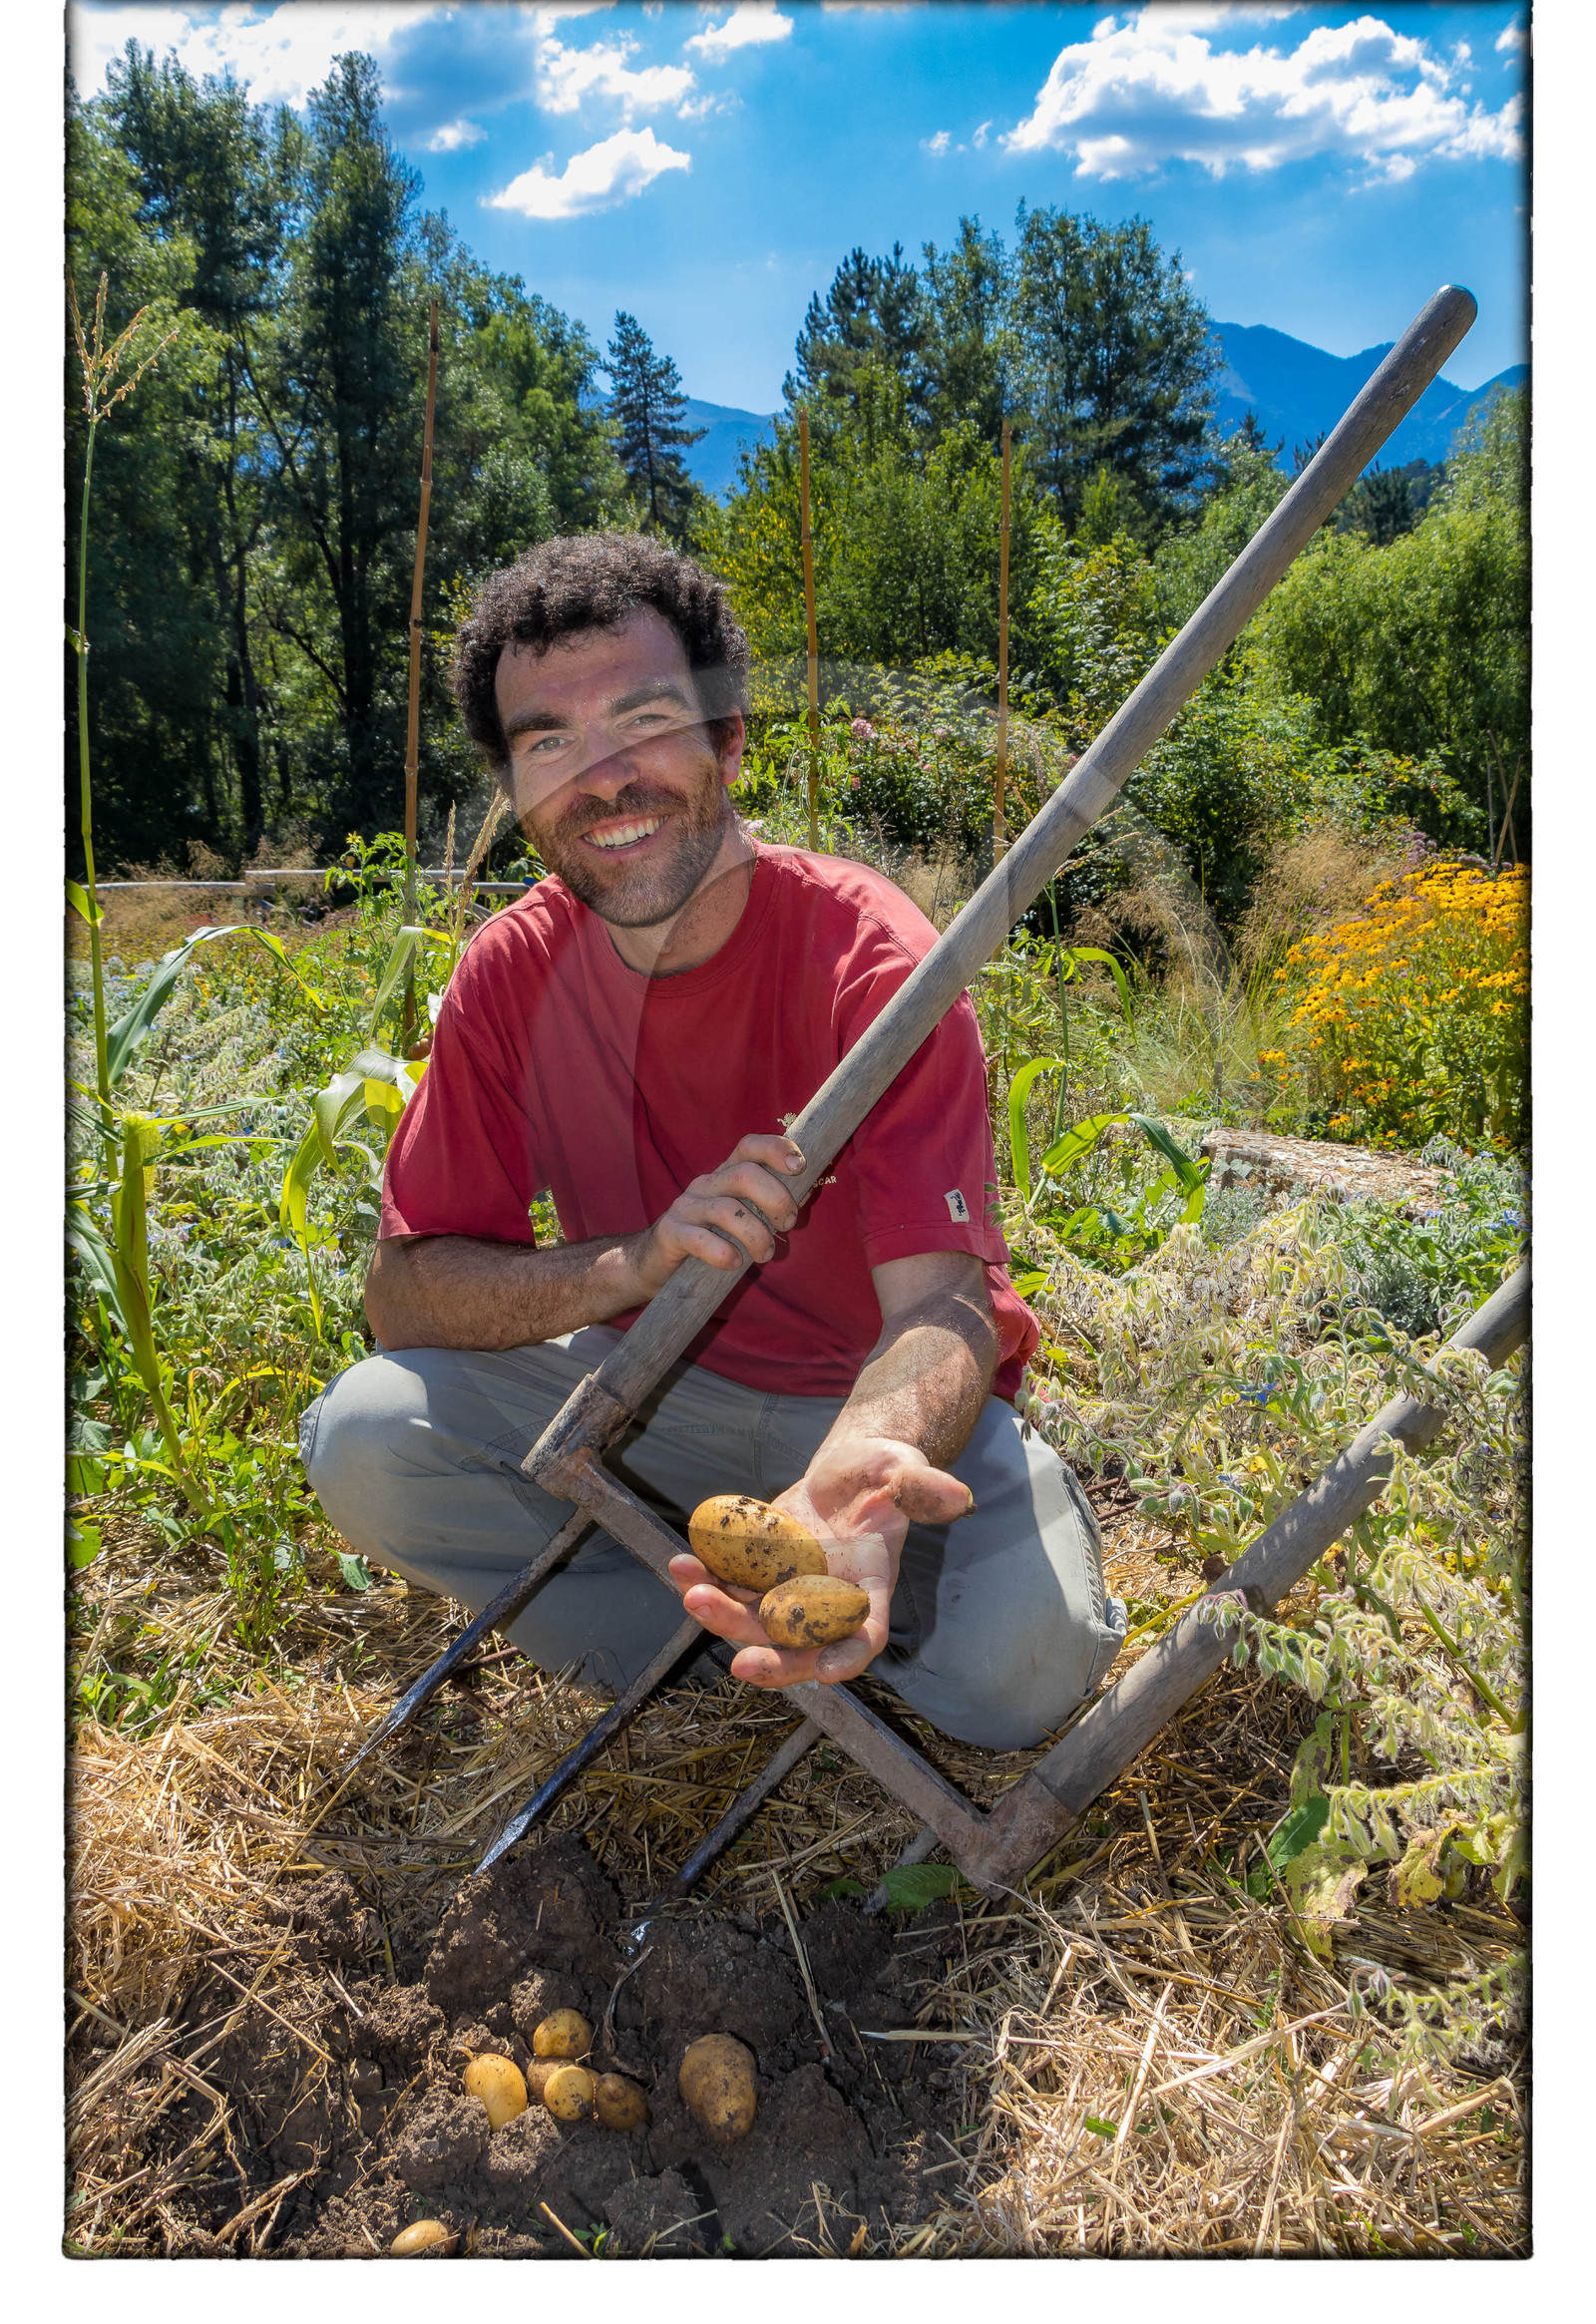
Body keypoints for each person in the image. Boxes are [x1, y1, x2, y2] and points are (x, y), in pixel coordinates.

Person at [300, 534, 1125, 1751]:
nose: (603, 778)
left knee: (1025, 1676)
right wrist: (630, 1265)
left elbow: (944, 1303)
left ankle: (842, 1600)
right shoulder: (511, 974)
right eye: (549, 743)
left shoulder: (875, 964)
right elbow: (405, 1296)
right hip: (639, 1399)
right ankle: (722, 1655)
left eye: (643, 721)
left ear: (730, 740)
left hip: (858, 1400)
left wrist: (870, 1462)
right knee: (368, 1437)